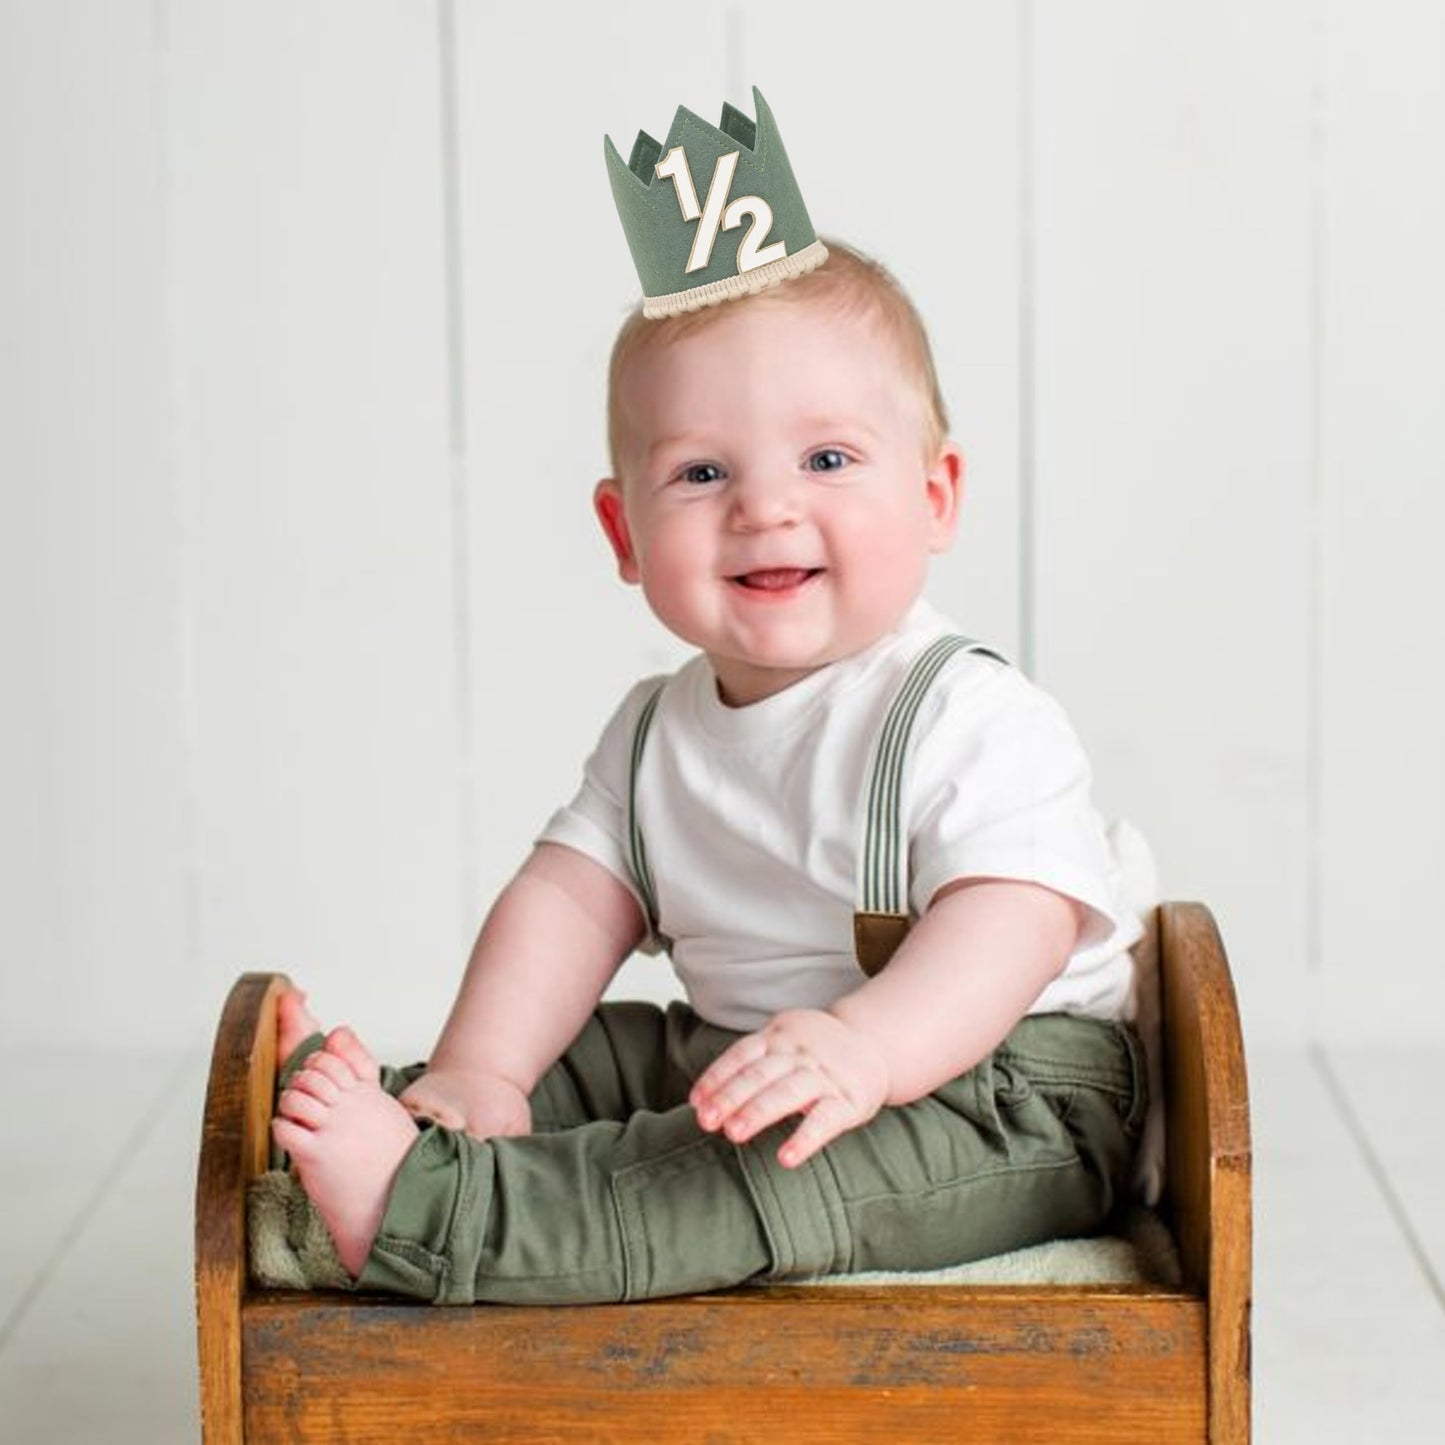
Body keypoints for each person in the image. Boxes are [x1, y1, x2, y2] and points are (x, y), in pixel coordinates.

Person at [270, 238, 1147, 1305]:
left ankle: (428, 1214)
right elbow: (564, 900)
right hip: (755, 1049)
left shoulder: (963, 711)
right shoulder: (652, 733)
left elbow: (1013, 922)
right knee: (587, 1056)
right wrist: (482, 1066)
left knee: (727, 1178)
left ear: (934, 496)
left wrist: (861, 1051)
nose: (763, 507)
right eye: (700, 472)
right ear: (622, 528)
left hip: (996, 1093)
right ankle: (428, 1115)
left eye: (826, 459)